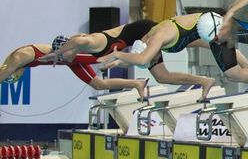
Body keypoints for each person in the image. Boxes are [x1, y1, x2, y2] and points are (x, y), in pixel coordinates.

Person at [97, 11, 248, 101]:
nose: (155, 60)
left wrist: (118, 55)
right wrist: (120, 61)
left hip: (214, 25)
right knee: (233, 73)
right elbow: (202, 42)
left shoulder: (159, 37)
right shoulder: (156, 44)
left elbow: (141, 59)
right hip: (210, 36)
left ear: (148, 46)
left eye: (152, 57)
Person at [0, 36, 148, 95]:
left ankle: (136, 48)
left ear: (13, 72)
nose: (19, 77)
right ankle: (137, 83)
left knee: (102, 58)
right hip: (69, 62)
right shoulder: (18, 64)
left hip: (69, 56)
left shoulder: (19, 57)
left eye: (15, 78)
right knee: (98, 85)